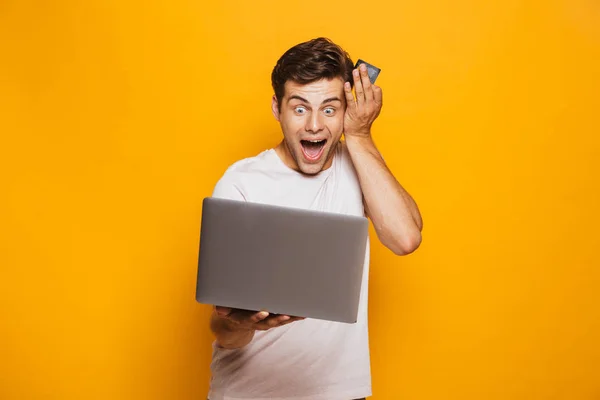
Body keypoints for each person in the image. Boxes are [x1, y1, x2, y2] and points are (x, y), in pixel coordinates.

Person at [206, 37, 423, 400]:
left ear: (347, 109)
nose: (313, 126)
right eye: (300, 108)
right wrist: (238, 323)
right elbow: (224, 329)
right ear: (277, 108)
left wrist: (359, 133)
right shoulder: (241, 182)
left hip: (340, 394)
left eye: (329, 108)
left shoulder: (357, 166)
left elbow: (405, 238)